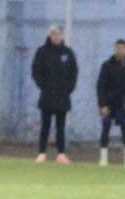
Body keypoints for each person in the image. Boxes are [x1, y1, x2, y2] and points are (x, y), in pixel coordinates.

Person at [31, 24, 77, 165]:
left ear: (61, 35)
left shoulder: (68, 53)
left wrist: (68, 88)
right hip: (47, 95)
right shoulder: (42, 52)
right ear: (50, 35)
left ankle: (61, 154)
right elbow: (36, 71)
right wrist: (43, 85)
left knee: (60, 126)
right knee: (45, 125)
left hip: (62, 96)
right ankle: (42, 153)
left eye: (58, 34)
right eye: (53, 34)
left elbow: (74, 73)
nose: (55, 37)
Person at [95, 39, 125, 167]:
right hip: (109, 103)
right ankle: (103, 159)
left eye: (121, 48)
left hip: (124, 104)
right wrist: (102, 104)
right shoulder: (107, 65)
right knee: (105, 128)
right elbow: (100, 86)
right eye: (117, 48)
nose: (119, 51)